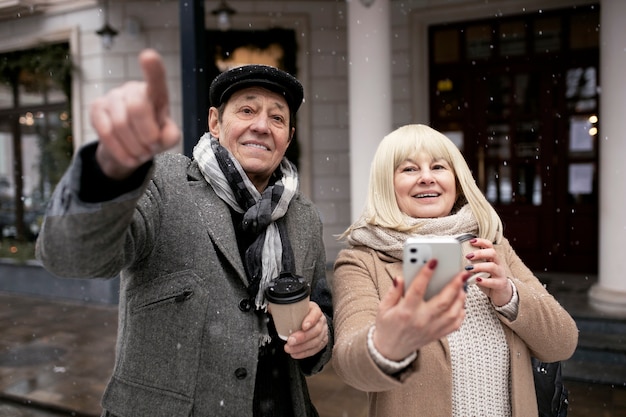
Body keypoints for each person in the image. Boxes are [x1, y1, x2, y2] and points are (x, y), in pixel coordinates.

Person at [35, 49, 332, 417]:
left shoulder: (303, 217)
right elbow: (72, 256)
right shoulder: (164, 181)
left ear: (287, 138)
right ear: (214, 122)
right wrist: (109, 170)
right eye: (247, 110)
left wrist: (320, 338)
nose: (261, 125)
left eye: (277, 117)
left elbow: (324, 314)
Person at [331, 124, 578, 417]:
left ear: (457, 181)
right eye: (409, 169)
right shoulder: (362, 262)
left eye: (438, 166)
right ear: (387, 184)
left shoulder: (492, 248)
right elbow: (349, 365)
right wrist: (386, 340)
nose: (426, 178)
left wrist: (509, 295)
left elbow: (563, 343)